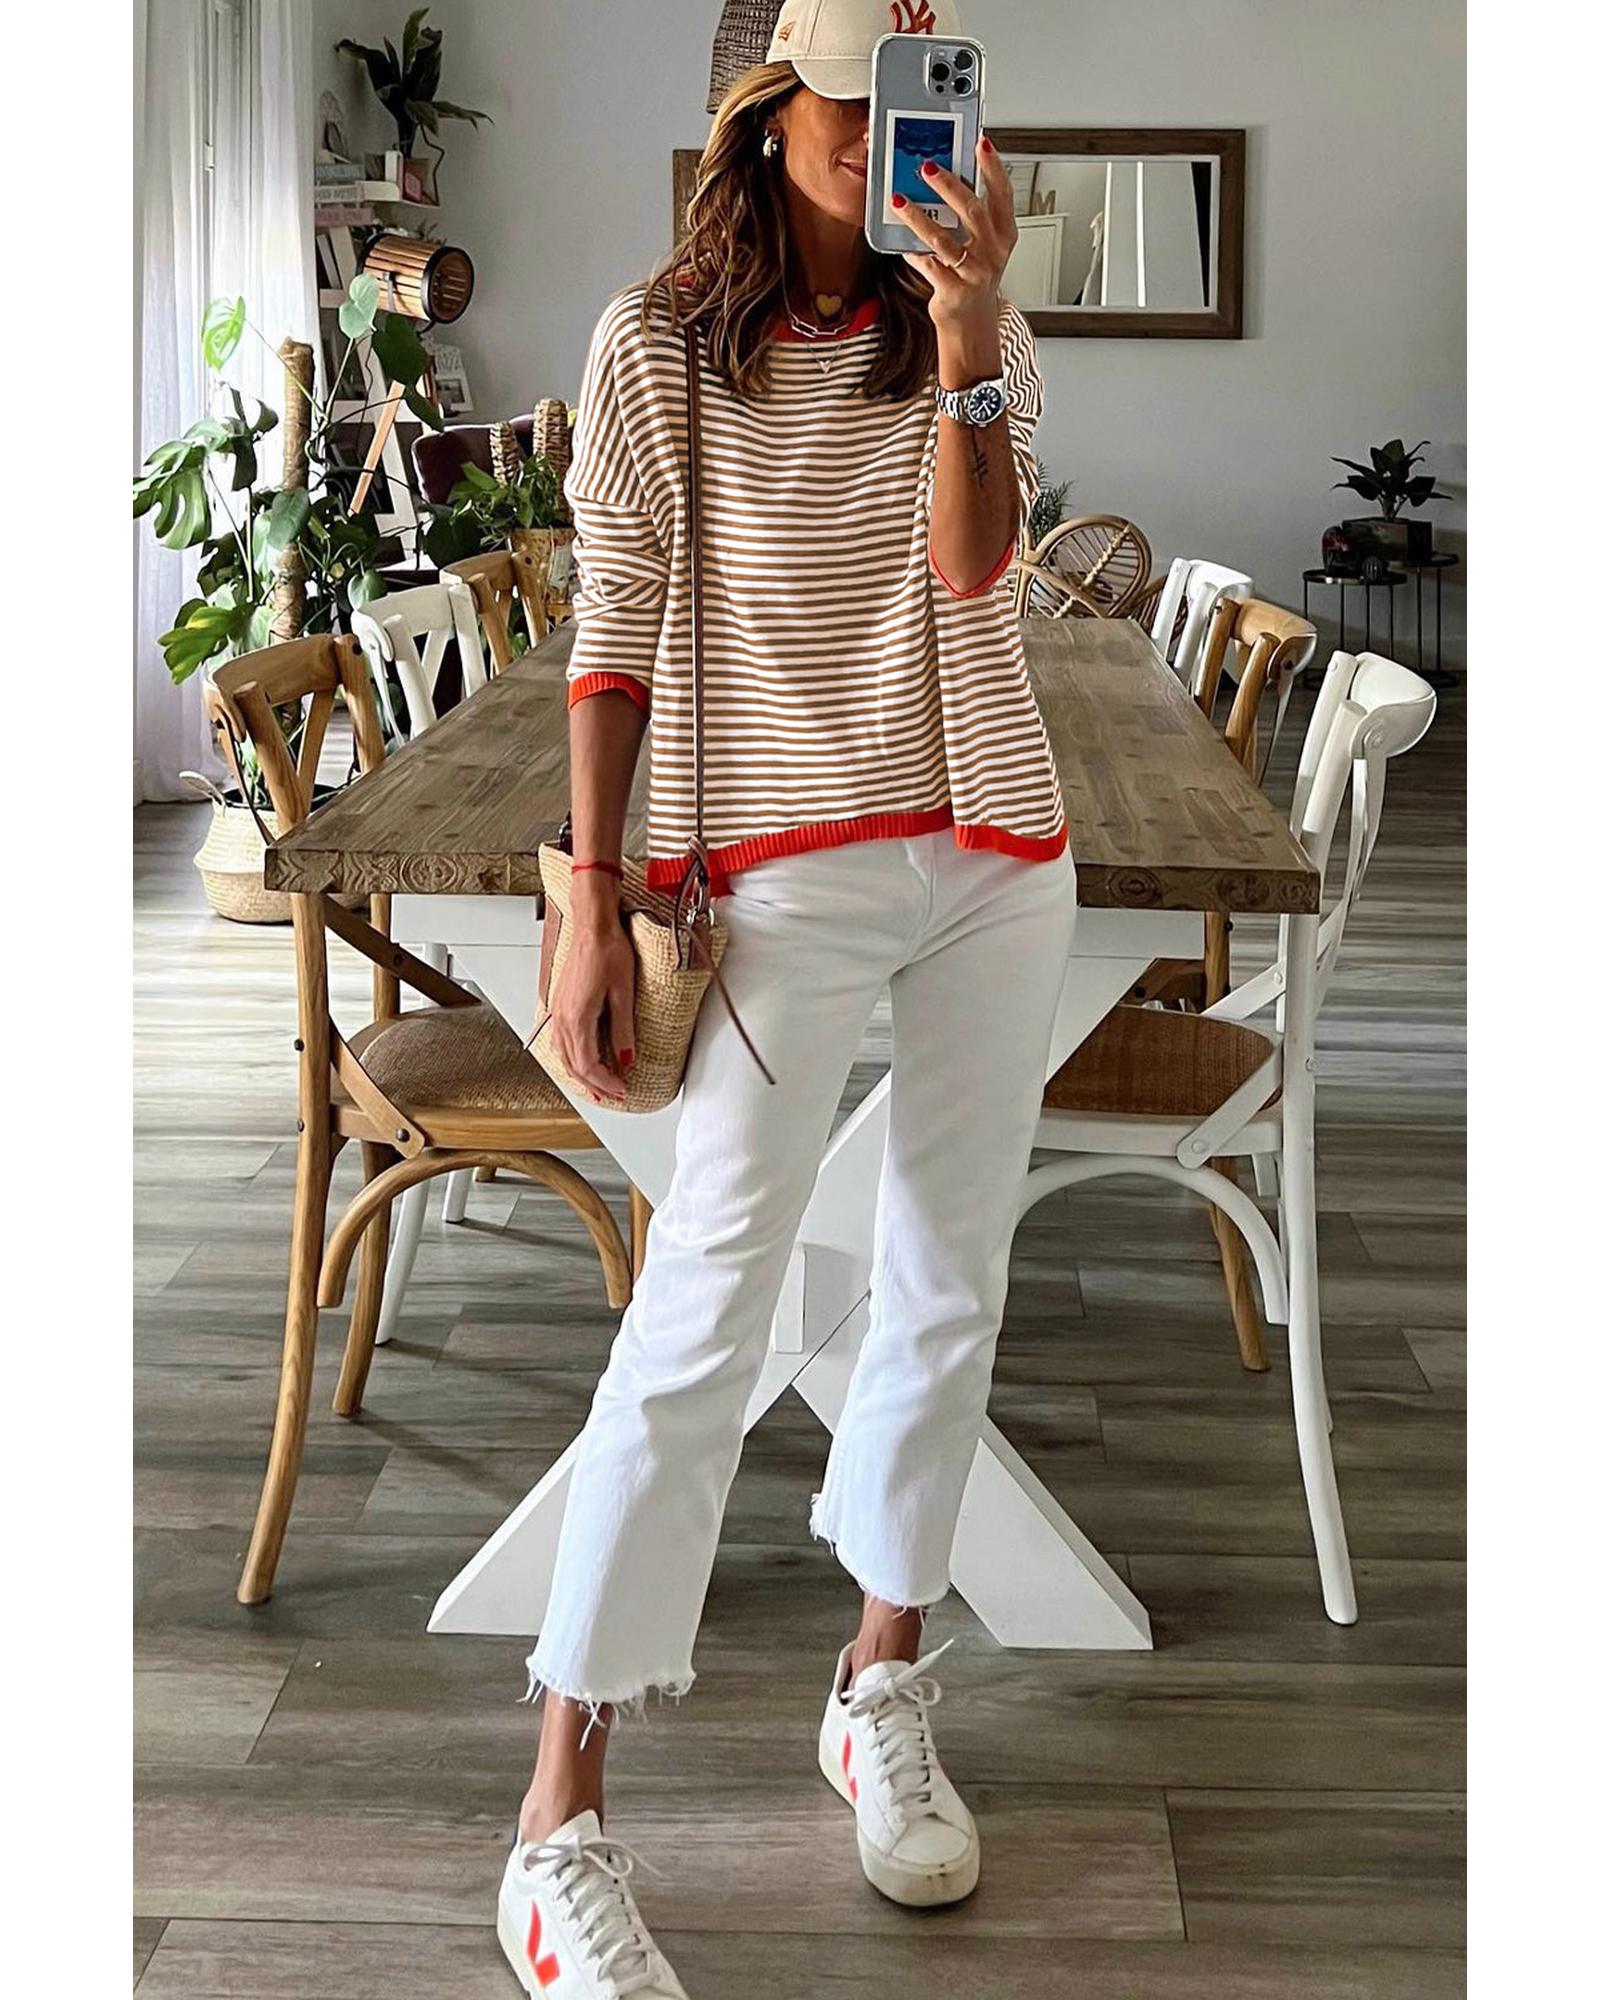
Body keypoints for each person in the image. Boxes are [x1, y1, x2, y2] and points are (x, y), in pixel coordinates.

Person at [496, 5, 1074, 1994]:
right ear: (766, 106)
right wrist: (591, 893)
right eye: (847, 88)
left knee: (948, 1278)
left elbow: (977, 573)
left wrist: (970, 330)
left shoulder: (969, 312)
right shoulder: (653, 342)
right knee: (704, 1304)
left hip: (996, 844)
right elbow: (614, 627)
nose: (883, 126)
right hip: (775, 865)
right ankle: (553, 1817)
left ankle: (877, 1683)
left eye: (919, 84)